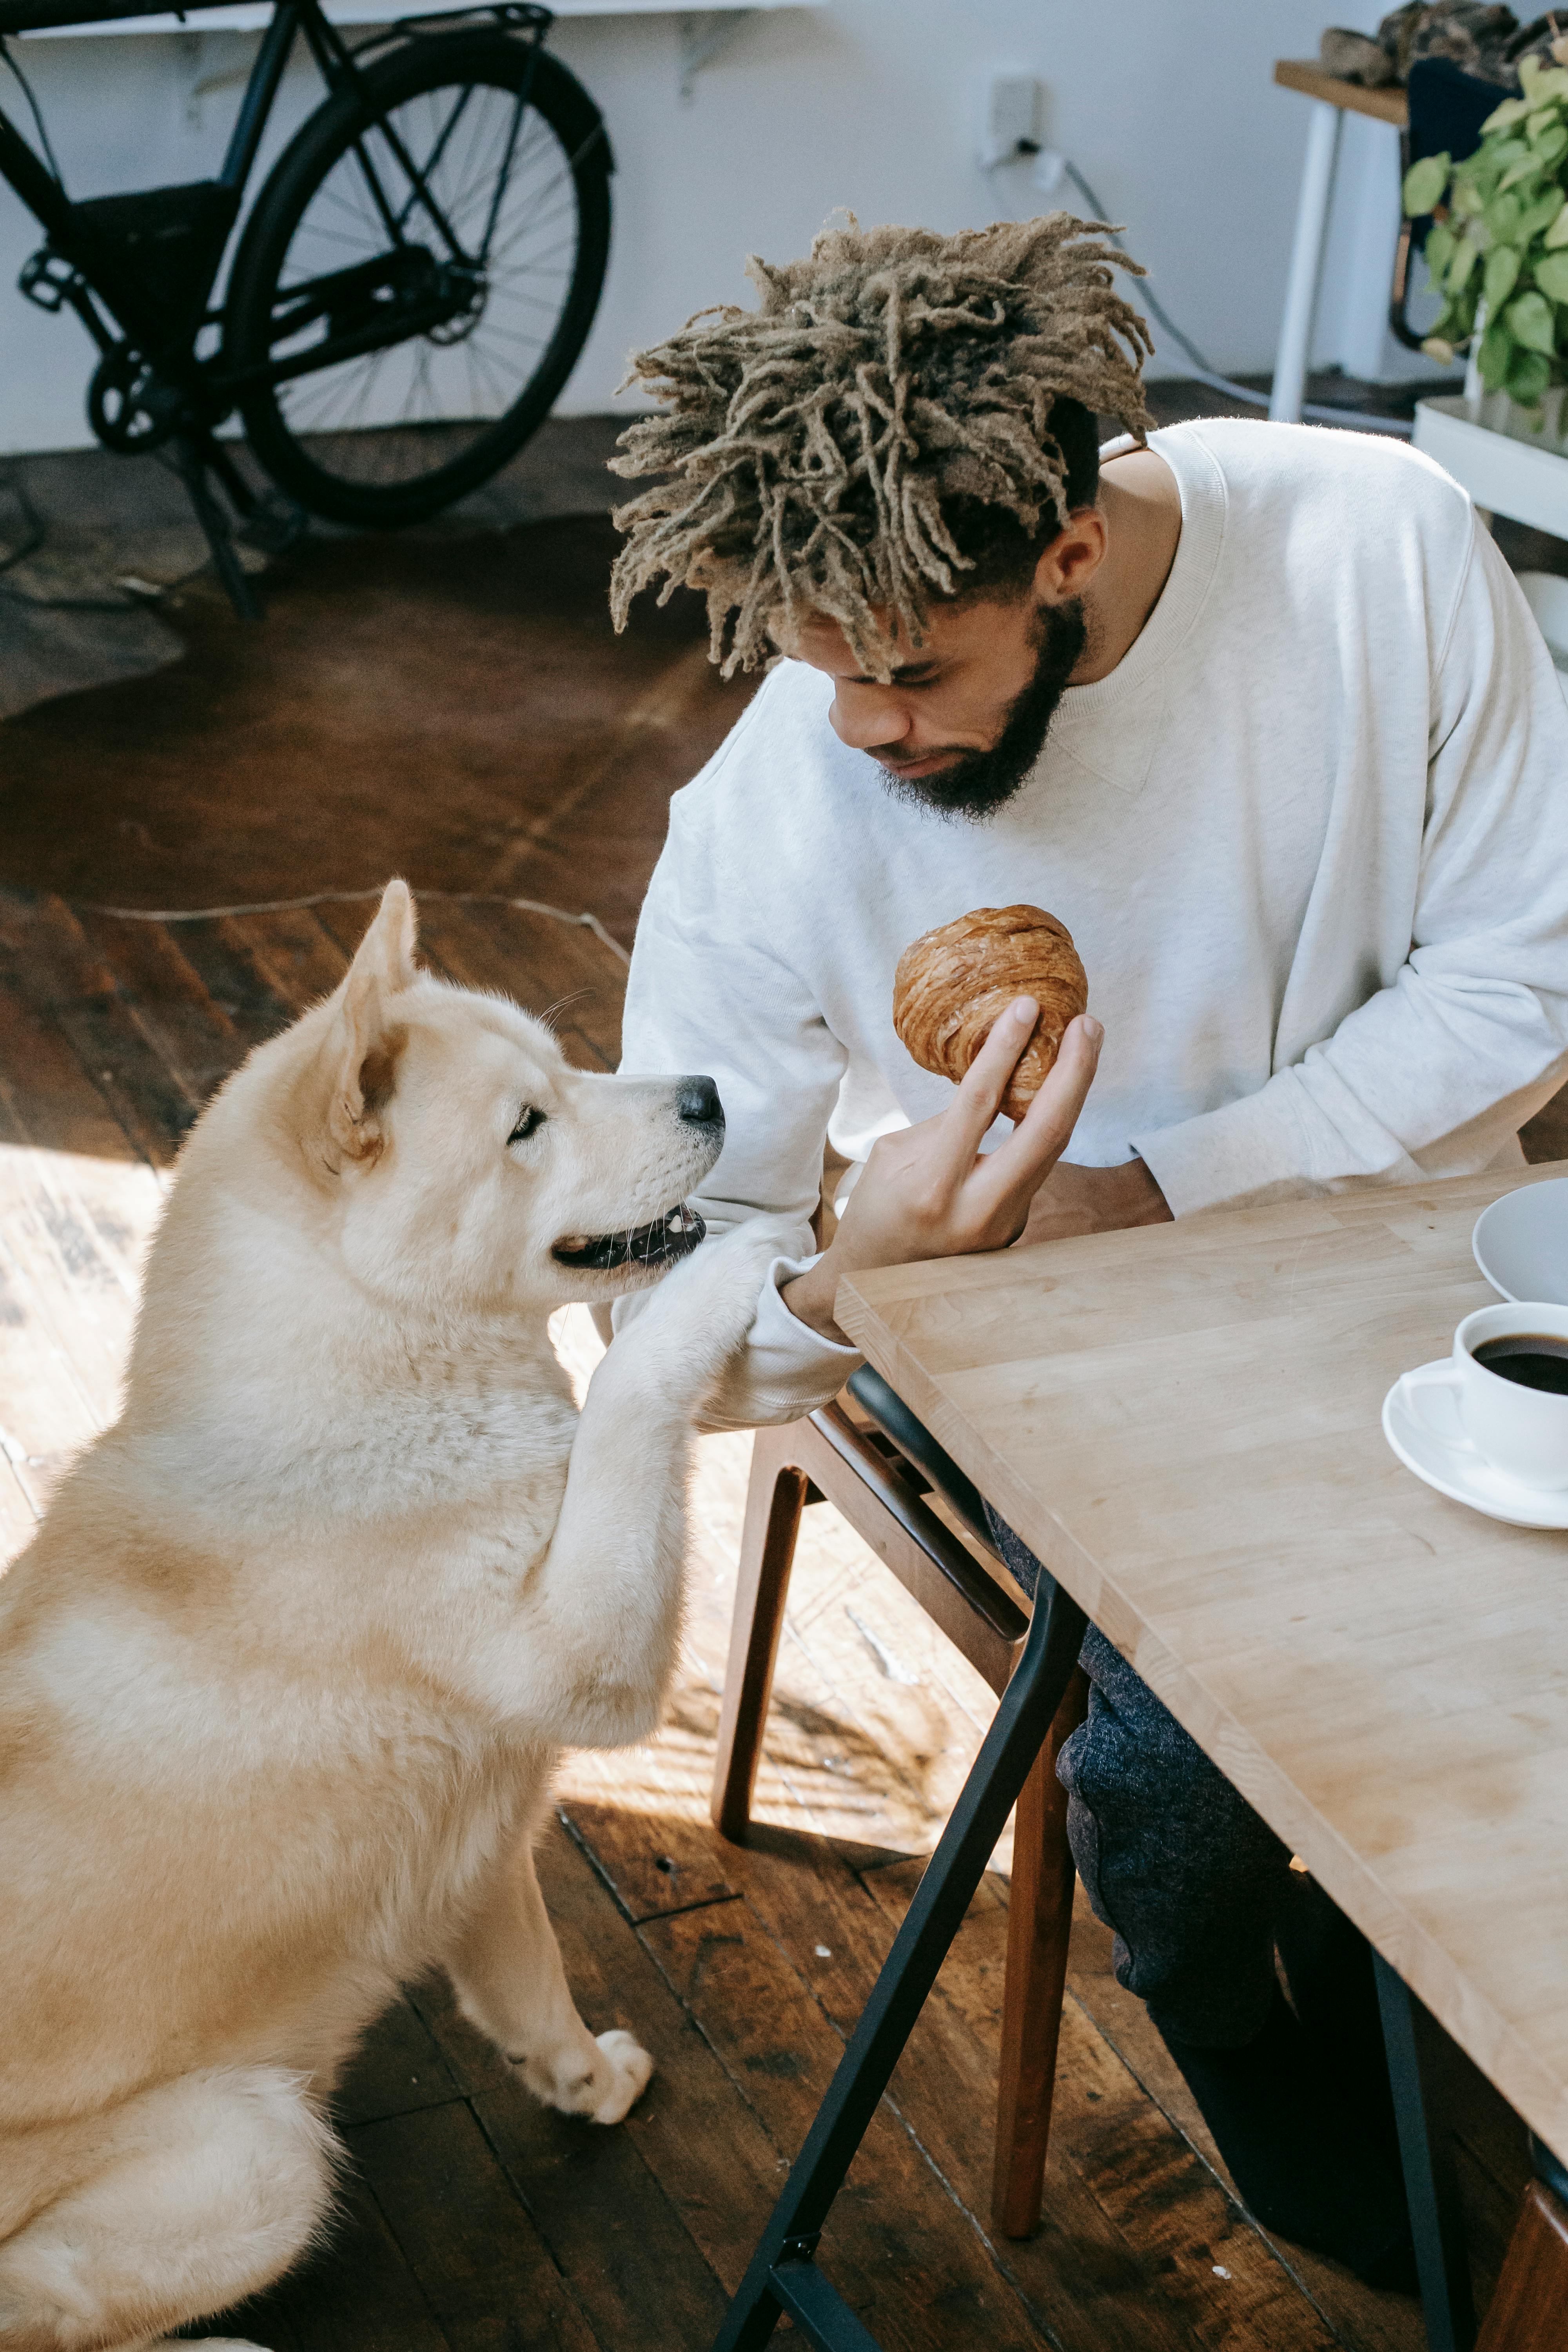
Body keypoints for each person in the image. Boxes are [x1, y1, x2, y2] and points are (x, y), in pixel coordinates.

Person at [604, 214, 1568, 2283]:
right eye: (807, 662)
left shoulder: (1376, 547)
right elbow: (656, 1297)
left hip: (1391, 1249)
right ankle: (1216, 1983)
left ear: (1062, 551)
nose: (856, 727)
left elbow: (1534, 959)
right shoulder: (776, 812)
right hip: (1025, 1346)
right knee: (1202, 1724)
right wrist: (869, 1266)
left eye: (908, 671)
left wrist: (1175, 1188)